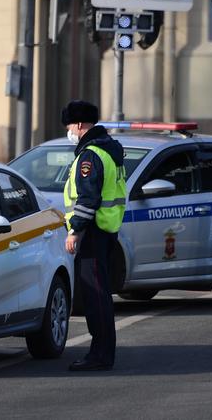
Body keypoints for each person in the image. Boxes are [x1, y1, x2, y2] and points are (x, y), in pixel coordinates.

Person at [62, 100, 127, 372]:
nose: (69, 131)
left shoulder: (90, 155)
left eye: (69, 126)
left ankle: (99, 355)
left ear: (79, 124)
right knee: (100, 295)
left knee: (95, 297)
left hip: (93, 233)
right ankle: (102, 352)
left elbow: (88, 198)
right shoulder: (108, 149)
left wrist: (75, 230)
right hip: (106, 231)